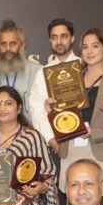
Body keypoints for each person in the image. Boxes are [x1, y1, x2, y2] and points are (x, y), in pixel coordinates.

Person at [48, 28, 103, 205]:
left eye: (95, 46)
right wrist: (51, 110)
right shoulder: (69, 79)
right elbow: (63, 118)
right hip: (73, 148)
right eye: (85, 47)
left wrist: (94, 132)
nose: (89, 51)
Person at [28, 18, 79, 150]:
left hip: (87, 139)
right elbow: (37, 112)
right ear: (50, 41)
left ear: (72, 39)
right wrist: (53, 141)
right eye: (54, 37)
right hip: (58, 142)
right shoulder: (43, 73)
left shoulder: (84, 66)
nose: (59, 42)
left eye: (64, 36)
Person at [0, 20, 43, 128]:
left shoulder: (38, 72)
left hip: (31, 131)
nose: (8, 49)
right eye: (3, 44)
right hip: (0, 132)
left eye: (13, 43)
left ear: (22, 45)